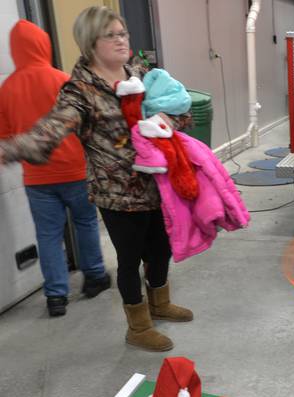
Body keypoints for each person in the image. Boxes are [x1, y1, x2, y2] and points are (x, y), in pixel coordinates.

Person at [0, 6, 192, 351]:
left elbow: (179, 110)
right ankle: (138, 326)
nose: (122, 40)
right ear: (91, 43)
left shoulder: (138, 72)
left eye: (124, 33)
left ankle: (160, 304)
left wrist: (167, 119)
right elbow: (51, 130)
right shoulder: (79, 90)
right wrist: (10, 149)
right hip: (117, 193)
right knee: (130, 260)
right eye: (112, 35)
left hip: (156, 185)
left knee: (161, 249)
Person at [0, 20, 110, 317]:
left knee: (48, 235)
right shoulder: (63, 79)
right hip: (74, 171)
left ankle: (56, 297)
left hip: (37, 178)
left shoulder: (7, 88)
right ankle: (95, 277)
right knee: (85, 223)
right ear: (43, 45)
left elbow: (6, 135)